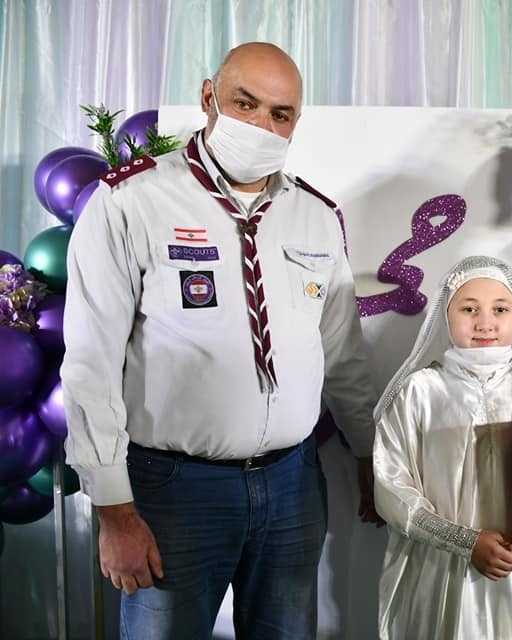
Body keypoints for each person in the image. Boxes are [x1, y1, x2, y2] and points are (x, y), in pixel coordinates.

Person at [62, 42, 379, 639]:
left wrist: (368, 451)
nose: (261, 126)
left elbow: (342, 353)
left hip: (292, 484)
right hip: (173, 491)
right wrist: (114, 510)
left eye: (280, 114)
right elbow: (90, 365)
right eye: (245, 103)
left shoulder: (315, 215)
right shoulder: (130, 201)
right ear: (209, 97)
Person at [372, 256, 512, 639]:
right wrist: (464, 542)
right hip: (438, 565)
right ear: (446, 316)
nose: (485, 323)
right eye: (469, 309)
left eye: (500, 309)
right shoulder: (419, 391)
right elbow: (392, 489)